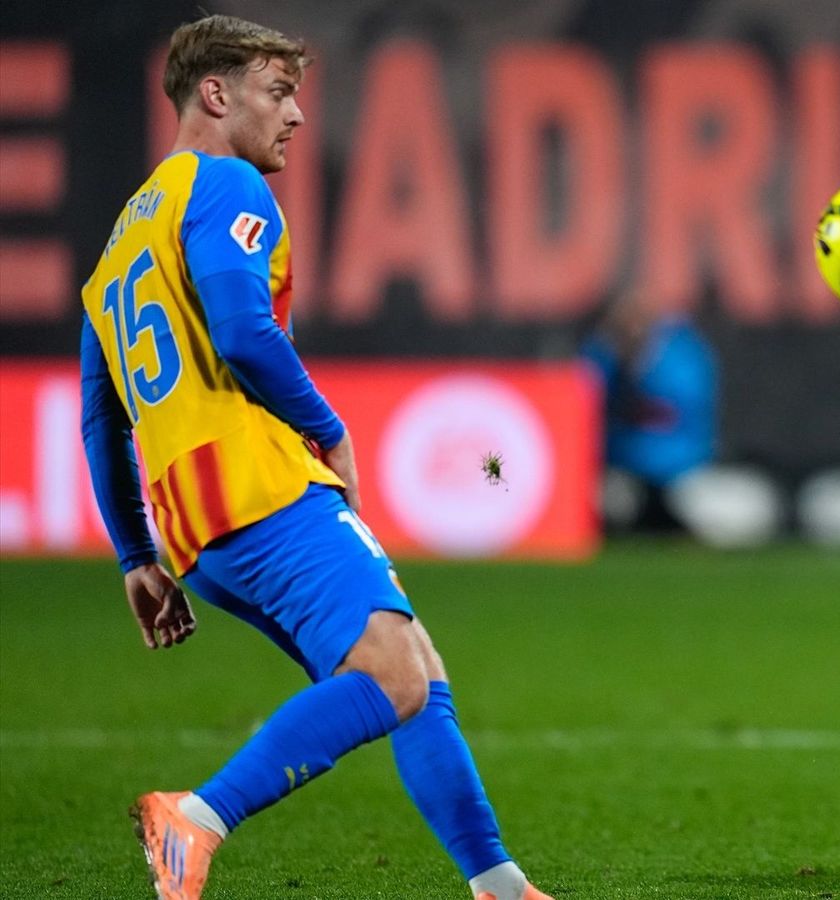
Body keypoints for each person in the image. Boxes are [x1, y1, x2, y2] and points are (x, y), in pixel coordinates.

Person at [78, 16, 552, 900]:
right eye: (278, 92)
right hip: (261, 486)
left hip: (197, 532)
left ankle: (501, 887)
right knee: (392, 670)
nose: (297, 115)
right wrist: (328, 429)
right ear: (215, 96)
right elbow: (245, 332)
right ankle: (199, 817)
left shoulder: (116, 250)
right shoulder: (224, 187)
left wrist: (137, 557)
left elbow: (99, 419)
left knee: (413, 670)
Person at [580, 296, 718, 533]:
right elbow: (582, 408)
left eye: (637, 327)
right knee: (605, 499)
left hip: (680, 477)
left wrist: (640, 369)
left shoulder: (681, 361)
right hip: (623, 476)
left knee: (710, 507)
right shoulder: (602, 361)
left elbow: (690, 423)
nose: (631, 335)